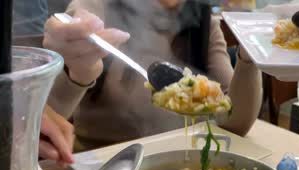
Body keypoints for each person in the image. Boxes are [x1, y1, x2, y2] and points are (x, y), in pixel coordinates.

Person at [43, 0, 262, 151]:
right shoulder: (97, 7)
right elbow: (44, 123)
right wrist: (78, 70)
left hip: (176, 168)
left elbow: (233, 123)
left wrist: (249, 53)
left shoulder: (203, 20)